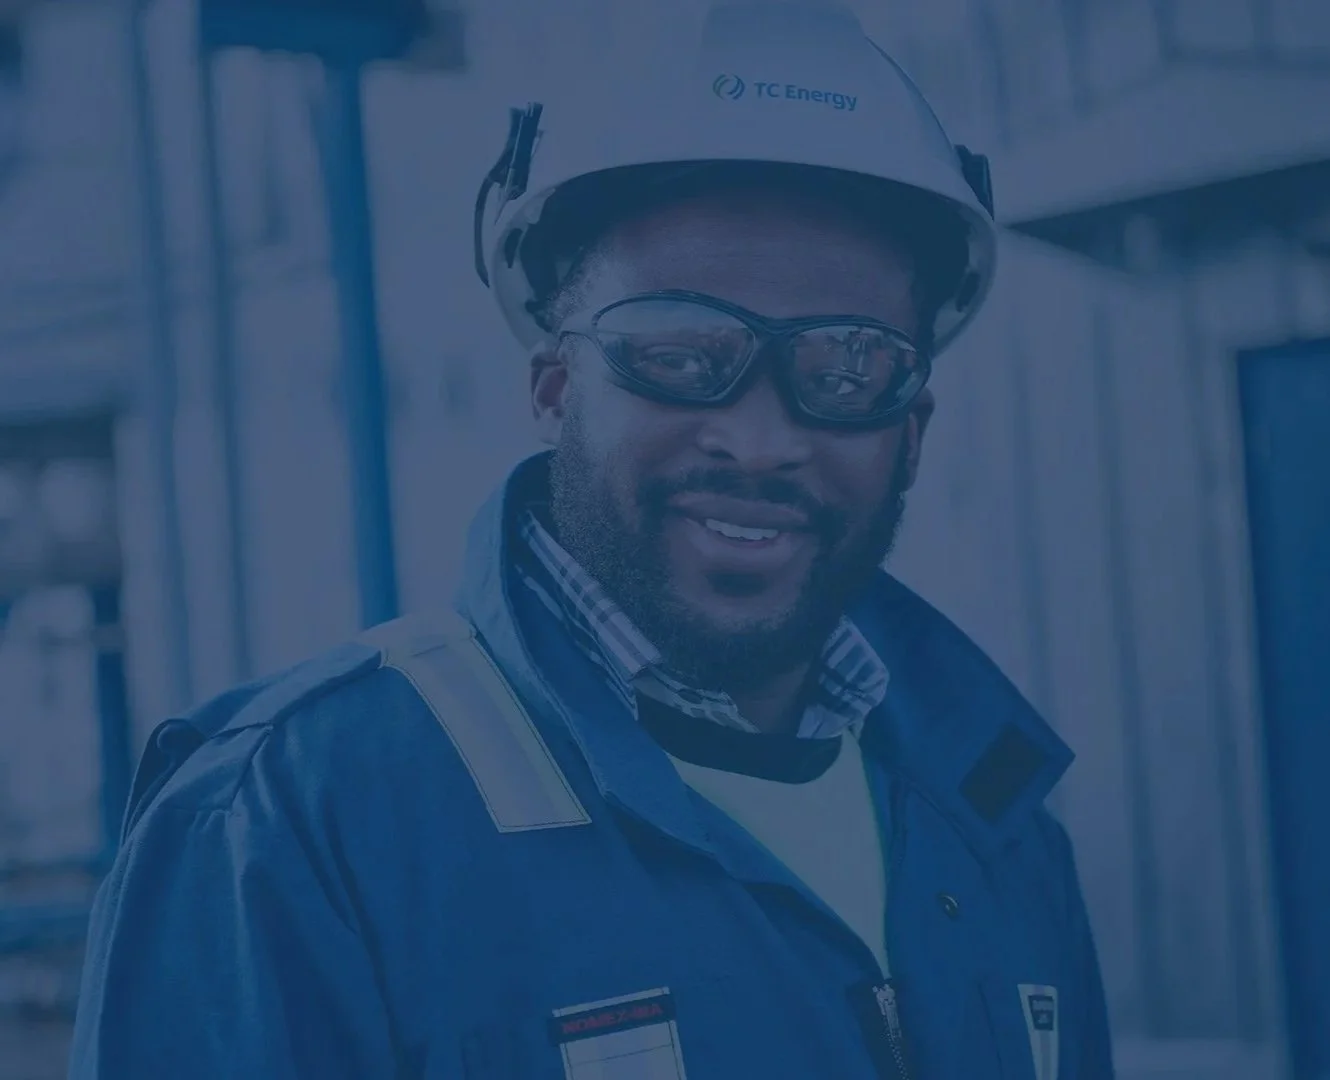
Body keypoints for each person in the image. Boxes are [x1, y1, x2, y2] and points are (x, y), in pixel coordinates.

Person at [70, 3, 1114, 1078]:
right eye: (677, 349)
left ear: (911, 430)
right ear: (554, 385)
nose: (758, 440)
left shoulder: (997, 826)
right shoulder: (290, 822)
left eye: (846, 367)